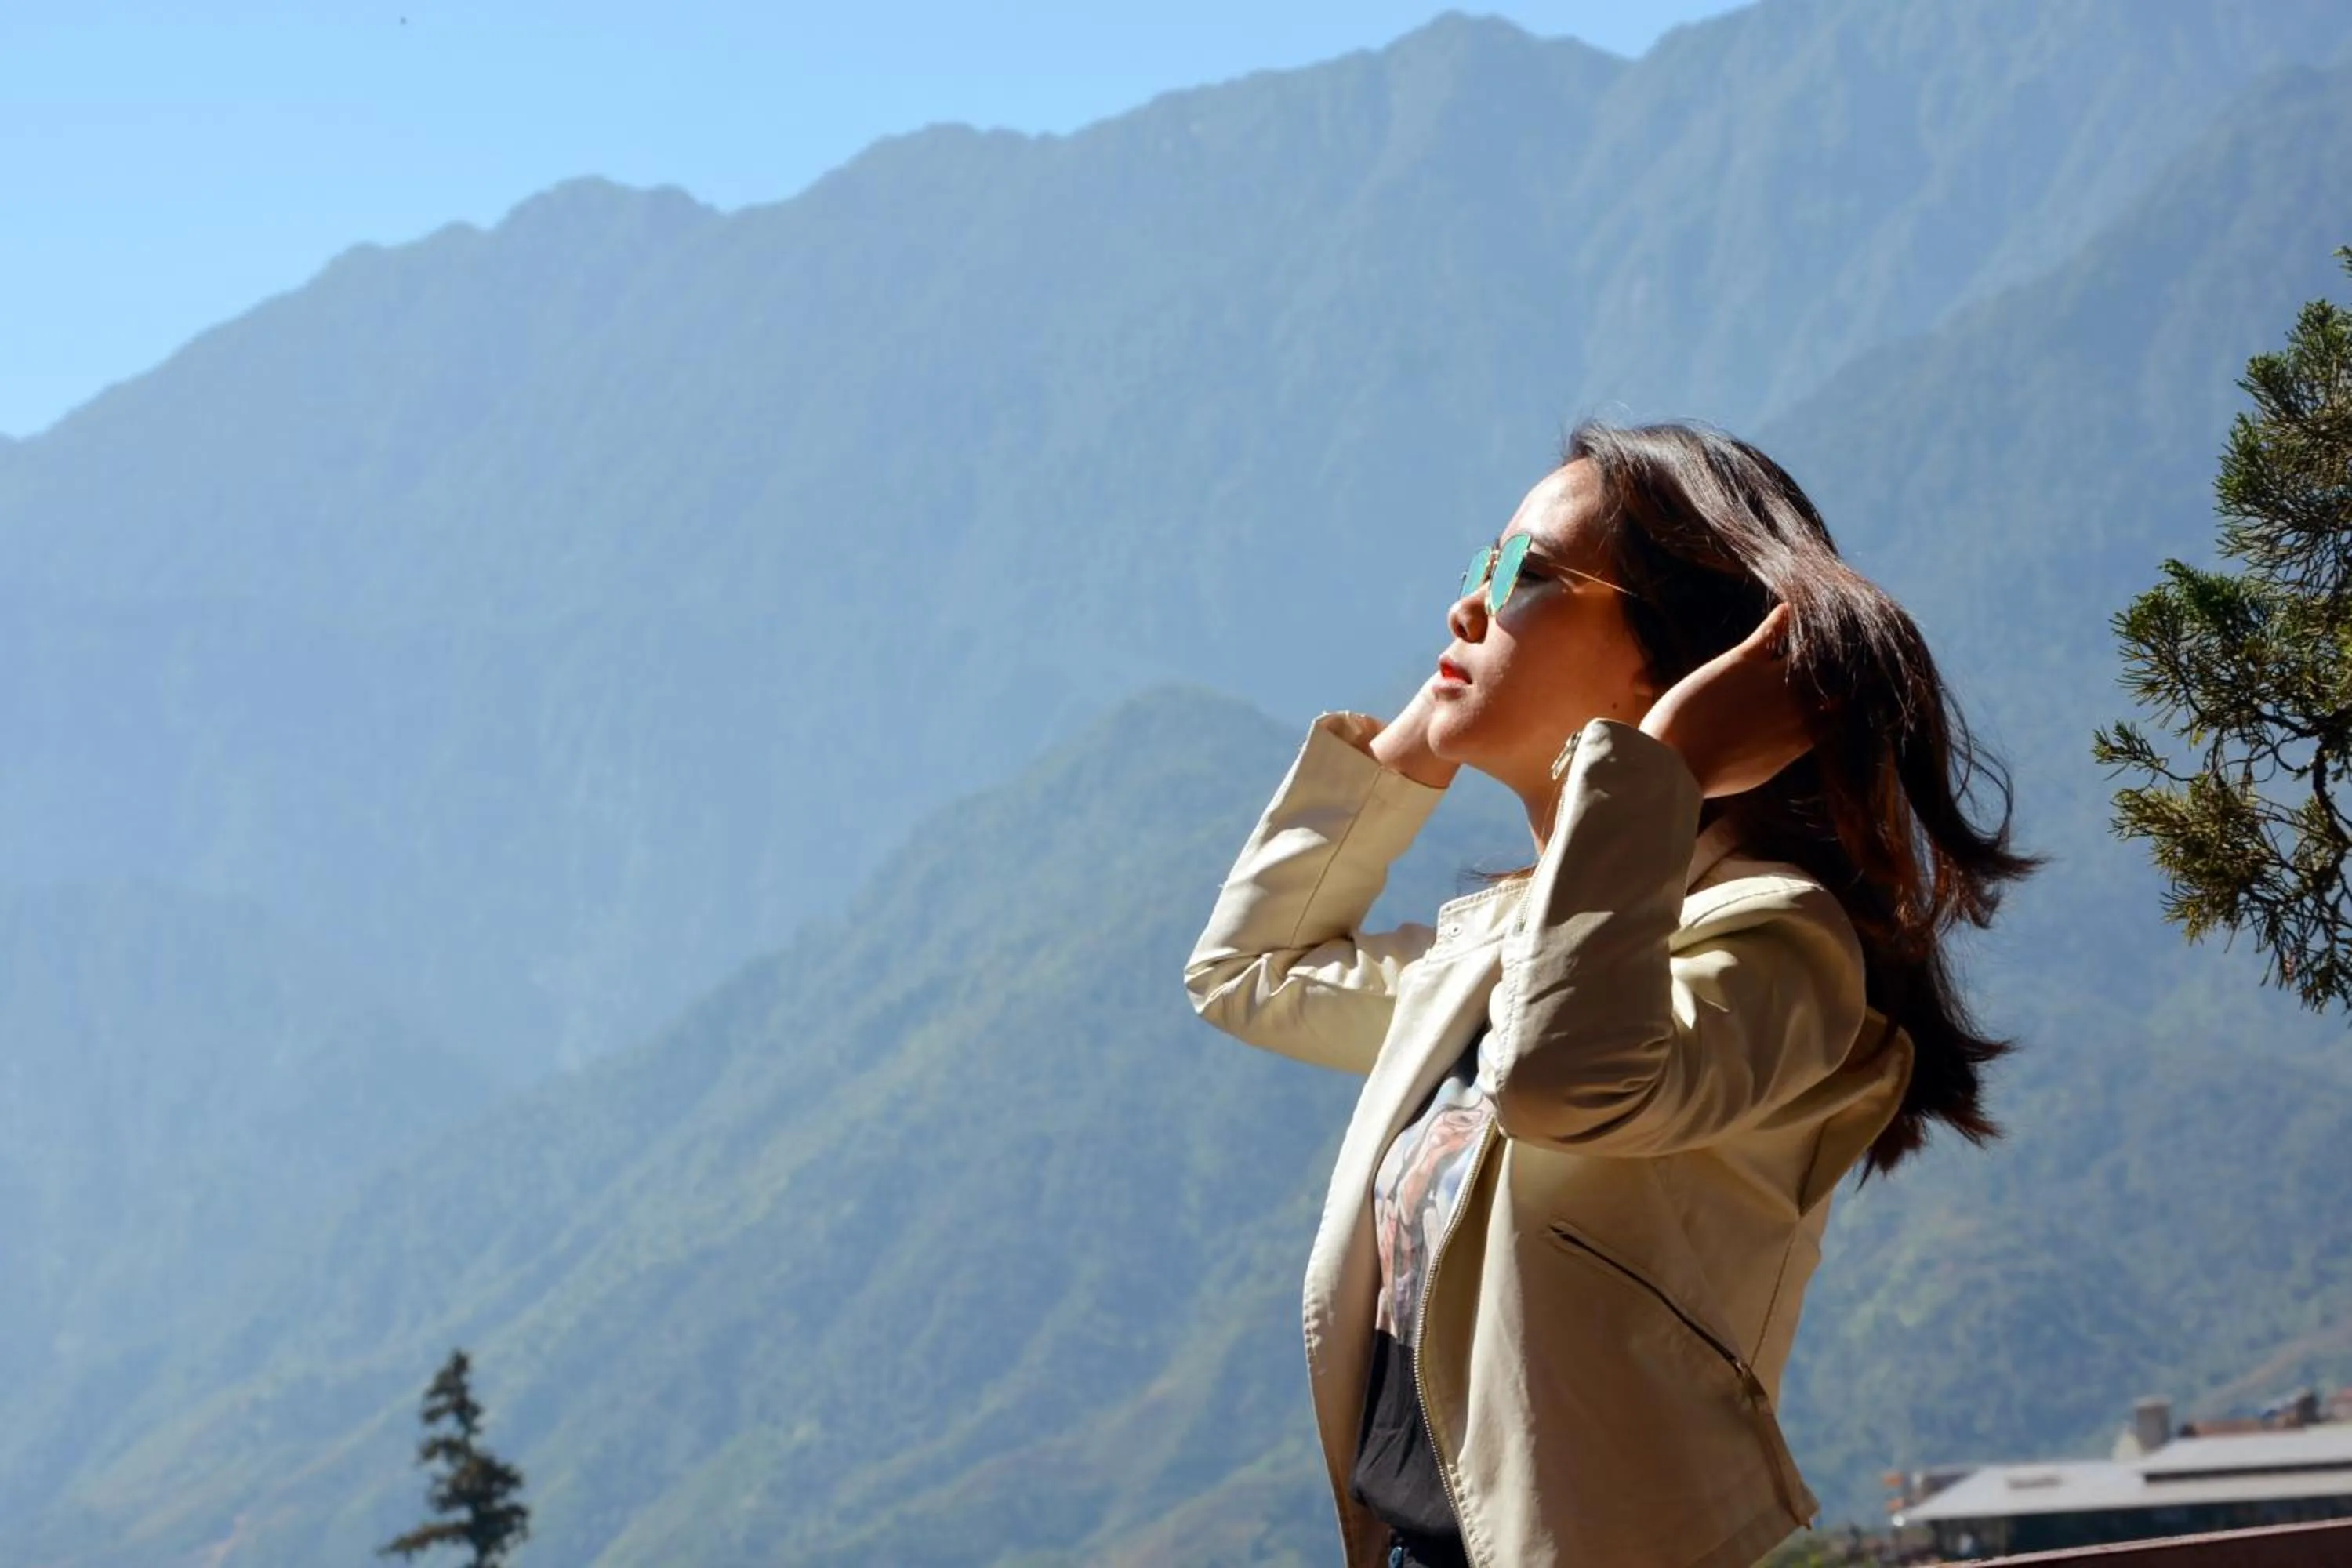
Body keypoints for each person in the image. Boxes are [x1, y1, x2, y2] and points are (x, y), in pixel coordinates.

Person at [1182, 422, 2034, 1568]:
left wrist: (1658, 774)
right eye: (1479, 566)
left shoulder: (1776, 941)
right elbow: (1250, 972)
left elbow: (1561, 1080)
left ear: (1675, 659)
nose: (1465, 606)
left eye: (1523, 575)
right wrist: (1419, 738)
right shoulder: (1499, 949)